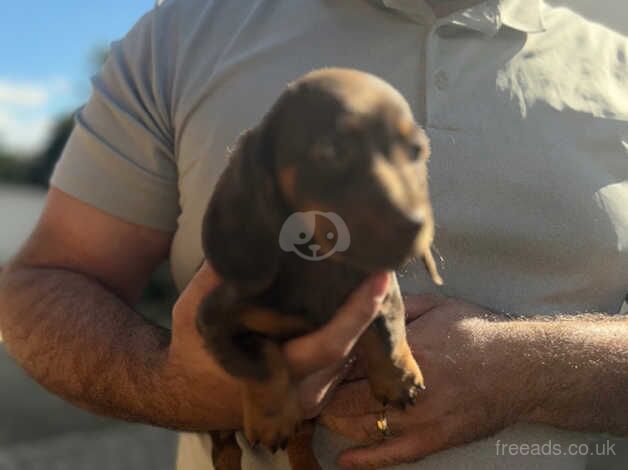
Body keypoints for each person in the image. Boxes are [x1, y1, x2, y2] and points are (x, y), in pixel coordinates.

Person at [0, 0, 627, 469]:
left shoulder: (618, 61)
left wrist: (533, 371)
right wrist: (175, 387)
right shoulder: (184, 30)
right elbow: (45, 282)